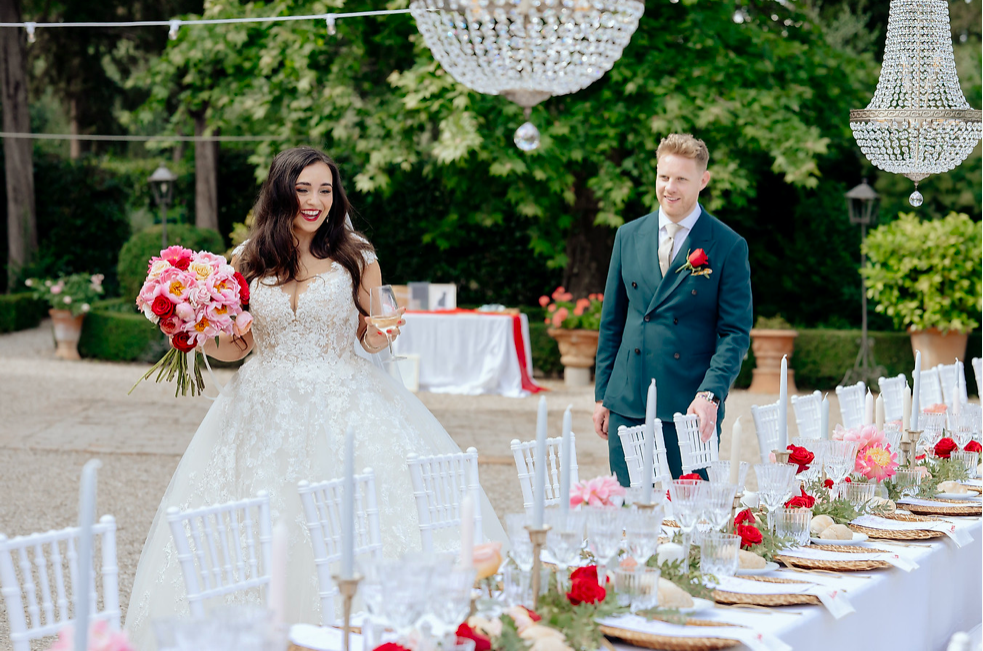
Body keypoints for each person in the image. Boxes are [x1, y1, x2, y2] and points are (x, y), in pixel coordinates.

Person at [124, 147, 506, 647]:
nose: (315, 201)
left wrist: (379, 336)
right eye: (304, 189)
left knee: (347, 522)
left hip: (345, 403)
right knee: (257, 527)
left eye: (325, 190)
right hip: (259, 411)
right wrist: (192, 328)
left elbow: (372, 332)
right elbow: (240, 345)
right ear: (281, 191)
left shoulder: (357, 256)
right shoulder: (248, 259)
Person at [592, 134, 752, 485]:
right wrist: (604, 394)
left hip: (690, 407)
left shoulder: (727, 245)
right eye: (664, 177)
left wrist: (710, 395)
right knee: (629, 514)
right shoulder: (628, 235)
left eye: (681, 178)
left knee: (688, 520)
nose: (670, 187)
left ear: (703, 181)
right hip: (628, 402)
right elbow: (612, 323)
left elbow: (735, 334)